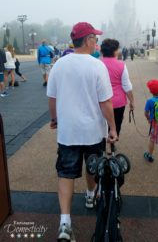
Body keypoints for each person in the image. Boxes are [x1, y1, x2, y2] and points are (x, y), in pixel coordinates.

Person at [47, 22, 117, 242]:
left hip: (68, 131)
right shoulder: (97, 66)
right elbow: (105, 103)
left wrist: (54, 119)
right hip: (93, 131)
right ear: (88, 40)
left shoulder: (59, 64)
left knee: (66, 173)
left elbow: (52, 97)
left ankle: (65, 223)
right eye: (94, 38)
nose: (96, 42)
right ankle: (89, 196)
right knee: (93, 166)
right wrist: (113, 128)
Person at [101, 39, 134, 137]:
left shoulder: (97, 63)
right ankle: (112, 143)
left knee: (102, 123)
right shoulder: (121, 65)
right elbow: (126, 86)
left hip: (101, 100)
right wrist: (132, 101)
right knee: (116, 123)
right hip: (118, 101)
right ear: (115, 51)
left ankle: (102, 144)